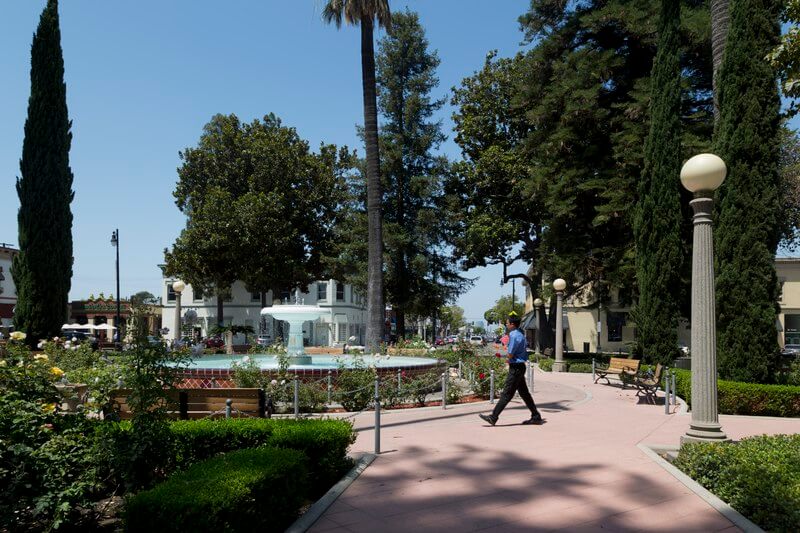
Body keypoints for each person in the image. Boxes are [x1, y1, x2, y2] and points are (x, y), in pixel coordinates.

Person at [479, 313, 543, 426]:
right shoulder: (520, 334)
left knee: (507, 393)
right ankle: (536, 416)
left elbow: (510, 353)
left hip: (516, 368)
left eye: (507, 323)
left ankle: (493, 417)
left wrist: (505, 362)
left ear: (512, 324)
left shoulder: (513, 335)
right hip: (520, 367)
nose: (506, 325)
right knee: (524, 393)